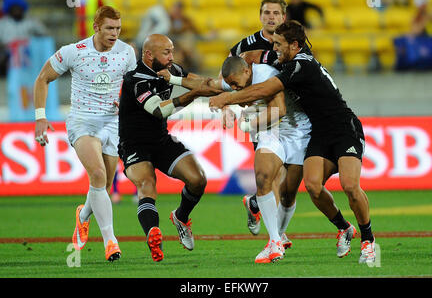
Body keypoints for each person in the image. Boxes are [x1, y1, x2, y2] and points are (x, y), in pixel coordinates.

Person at [209, 20, 376, 264]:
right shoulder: (287, 60)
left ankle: (368, 240)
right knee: (312, 186)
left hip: (343, 129)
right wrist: (239, 58)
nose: (273, 48)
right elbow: (250, 55)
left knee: (350, 185)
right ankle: (343, 227)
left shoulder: (301, 65)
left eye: (278, 44)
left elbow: (264, 89)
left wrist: (228, 99)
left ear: (294, 45)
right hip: (318, 132)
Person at [33, 6, 137, 262]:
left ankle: (82, 215)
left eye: (118, 29)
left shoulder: (127, 52)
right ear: (96, 27)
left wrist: (127, 104)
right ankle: (110, 242)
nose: (115, 34)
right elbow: (42, 79)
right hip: (82, 121)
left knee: (101, 183)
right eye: (110, 28)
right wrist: (40, 117)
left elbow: (134, 86)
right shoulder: (73, 52)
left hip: (113, 123)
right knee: (99, 175)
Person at [118, 34, 221, 262]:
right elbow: (159, 110)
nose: (171, 57)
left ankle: (181, 217)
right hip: (134, 144)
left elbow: (201, 83)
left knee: (198, 180)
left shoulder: (172, 69)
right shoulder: (135, 80)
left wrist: (226, 88)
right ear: (148, 55)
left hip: (162, 141)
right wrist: (195, 94)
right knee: (147, 184)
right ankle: (153, 235)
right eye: (166, 52)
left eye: (172, 51)